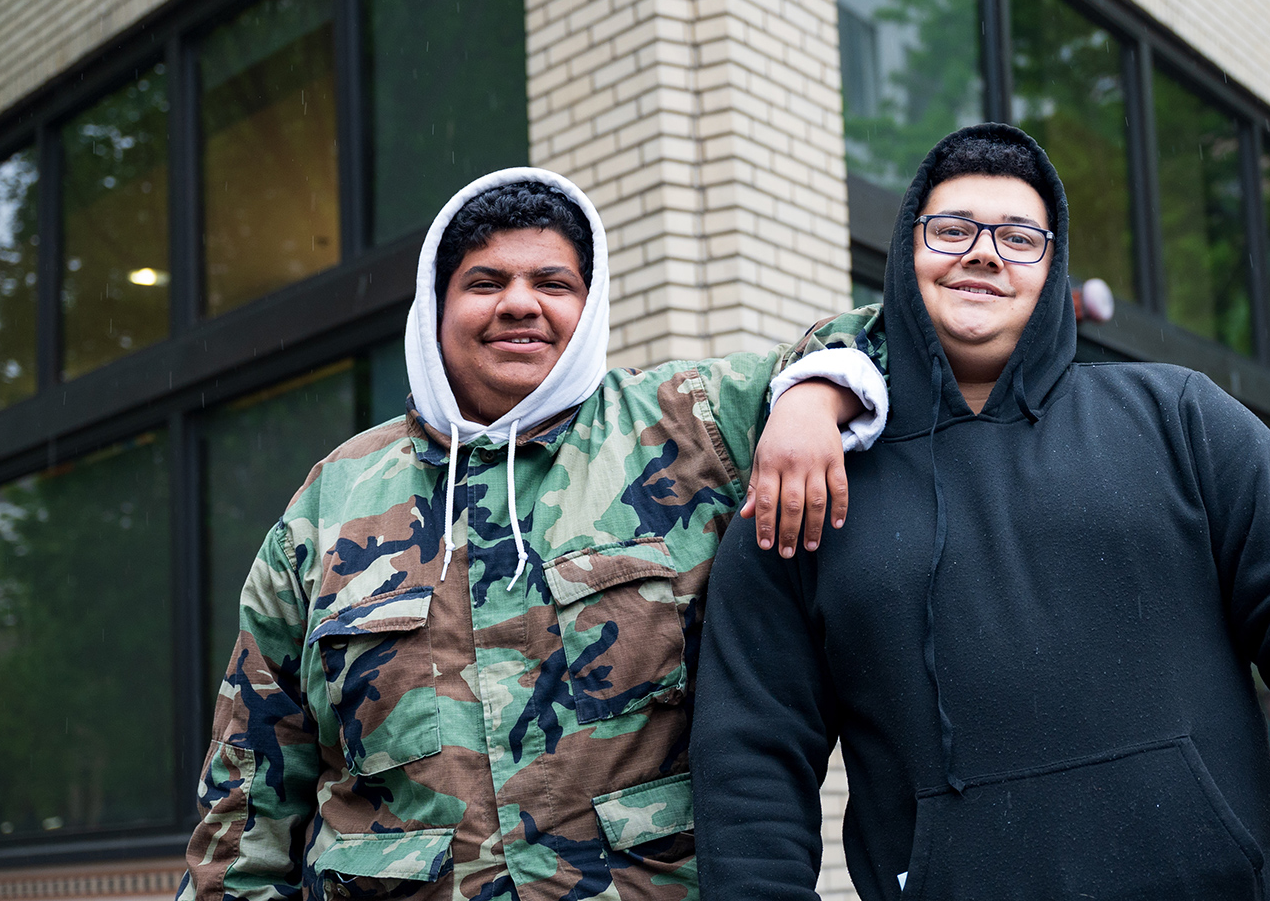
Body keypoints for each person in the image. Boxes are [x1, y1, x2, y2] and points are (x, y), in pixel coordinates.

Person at [691, 125, 1270, 901]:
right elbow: (752, 752)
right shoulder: (809, 481)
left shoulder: (1181, 419)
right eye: (952, 230)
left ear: (1052, 266)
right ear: (908, 256)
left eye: (1019, 236)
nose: (983, 252)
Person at [178, 168, 887, 901]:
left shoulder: (693, 425)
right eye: (485, 283)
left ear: (589, 303)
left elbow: (896, 335)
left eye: (553, 283)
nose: (520, 304)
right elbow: (250, 786)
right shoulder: (332, 500)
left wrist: (810, 398)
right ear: (437, 306)